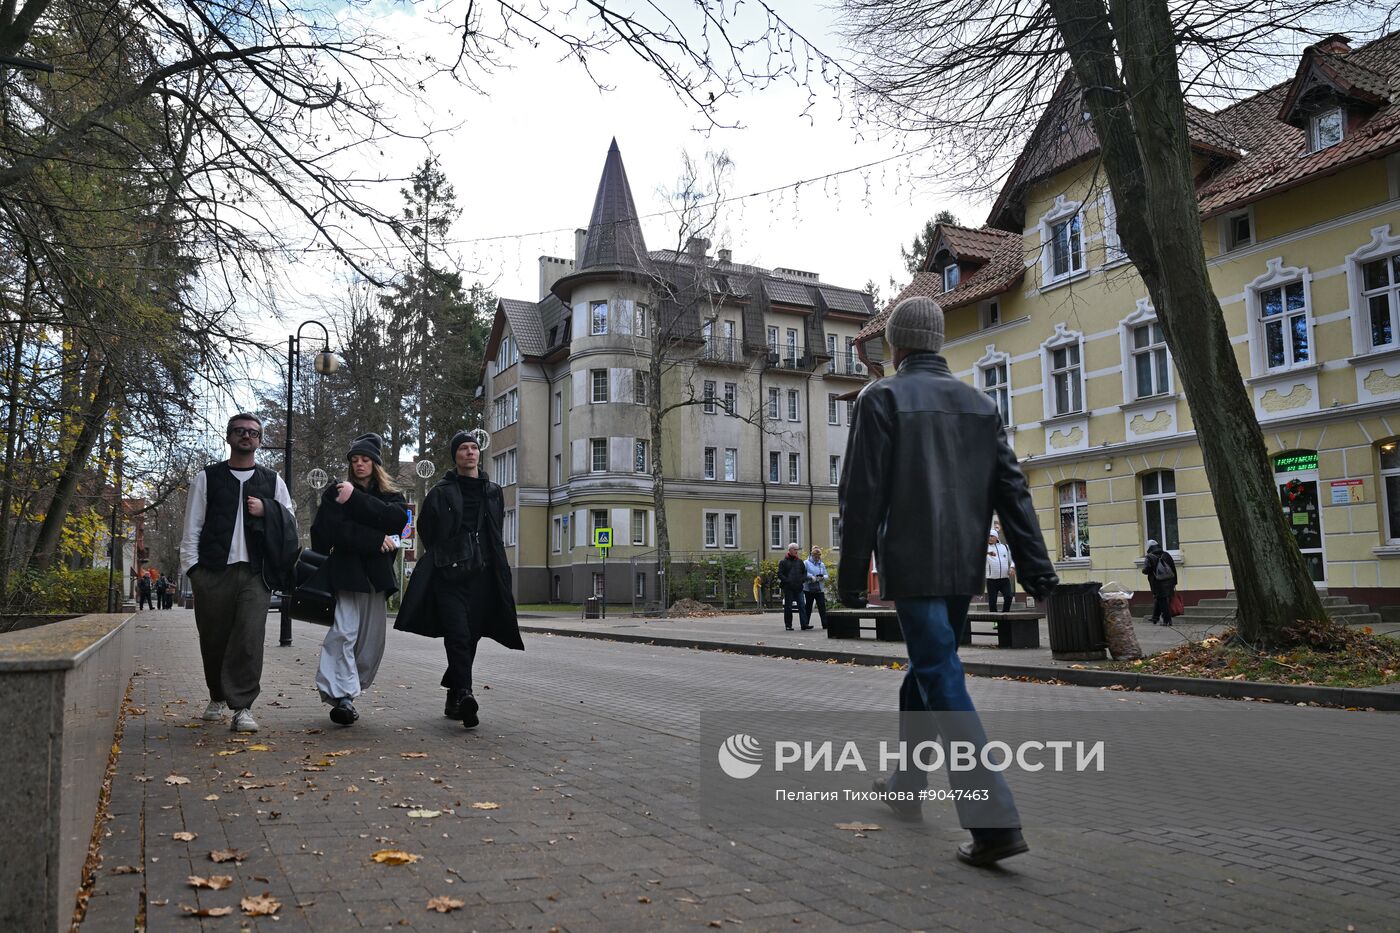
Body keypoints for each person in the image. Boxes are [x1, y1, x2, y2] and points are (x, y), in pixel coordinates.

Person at [839, 295, 1059, 867]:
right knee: (926, 668)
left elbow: (861, 495)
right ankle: (907, 789)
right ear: (936, 341)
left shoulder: (880, 397)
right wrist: (1037, 570)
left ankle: (993, 822)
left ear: (897, 344)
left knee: (938, 671)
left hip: (911, 566)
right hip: (963, 567)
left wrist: (848, 578)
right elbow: (1013, 493)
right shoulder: (979, 405)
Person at [395, 430, 523, 729]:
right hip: (450, 575)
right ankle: (465, 692)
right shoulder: (441, 491)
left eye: (474, 448)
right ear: (455, 455)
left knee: (473, 633)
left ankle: (454, 693)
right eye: (463, 448)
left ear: (479, 454)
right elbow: (426, 528)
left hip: (484, 576)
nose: (469, 452)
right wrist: (448, 554)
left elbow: (495, 531)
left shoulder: (492, 491)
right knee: (458, 633)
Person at [179, 413, 298, 733]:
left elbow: (291, 526)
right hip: (213, 571)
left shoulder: (273, 481)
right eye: (239, 431)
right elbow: (193, 526)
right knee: (214, 639)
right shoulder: (208, 478)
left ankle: (243, 707)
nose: (246, 436)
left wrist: (267, 509)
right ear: (229, 436)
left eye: (253, 432)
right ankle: (217, 695)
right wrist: (193, 570)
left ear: (260, 440)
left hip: (255, 575)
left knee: (248, 639)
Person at [310, 433, 409, 726]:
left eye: (365, 459)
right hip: (346, 572)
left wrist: (355, 499)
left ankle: (351, 690)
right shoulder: (335, 492)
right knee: (344, 632)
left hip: (376, 577)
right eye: (355, 460)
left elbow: (397, 522)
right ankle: (342, 696)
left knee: (369, 640)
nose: (360, 464)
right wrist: (373, 538)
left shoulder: (392, 497)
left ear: (375, 464)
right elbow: (331, 531)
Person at [1143, 539, 1177, 626]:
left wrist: (1144, 570)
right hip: (1169, 580)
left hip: (1157, 582)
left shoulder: (1149, 557)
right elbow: (1173, 568)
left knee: (1162, 600)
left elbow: (1146, 570)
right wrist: (1175, 582)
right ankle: (1155, 617)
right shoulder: (1166, 554)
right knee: (1160, 599)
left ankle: (1167, 620)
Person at [777, 543, 808, 631]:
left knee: (802, 605)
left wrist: (802, 580)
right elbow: (780, 574)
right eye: (795, 549)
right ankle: (788, 625)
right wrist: (787, 581)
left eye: (797, 549)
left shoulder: (800, 561)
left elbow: (804, 572)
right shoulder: (783, 562)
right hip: (788, 587)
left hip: (799, 587)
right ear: (790, 550)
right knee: (788, 607)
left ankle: (804, 624)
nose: (796, 551)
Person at [985, 530, 1015, 612]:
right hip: (991, 580)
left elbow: (1013, 559)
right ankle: (995, 622)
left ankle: (1004, 616)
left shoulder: (1005, 547)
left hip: (1004, 579)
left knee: (1009, 597)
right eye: (988, 536)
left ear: (996, 537)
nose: (990, 538)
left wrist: (1012, 567)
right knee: (992, 601)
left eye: (992, 536)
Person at [802, 546, 830, 629]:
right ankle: (805, 624)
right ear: (812, 555)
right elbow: (803, 573)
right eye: (816, 557)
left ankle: (825, 624)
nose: (818, 558)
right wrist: (811, 577)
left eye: (819, 557)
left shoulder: (821, 564)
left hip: (819, 588)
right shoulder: (806, 563)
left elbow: (826, 575)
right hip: (808, 588)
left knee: (822, 607)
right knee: (808, 607)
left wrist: (822, 577)